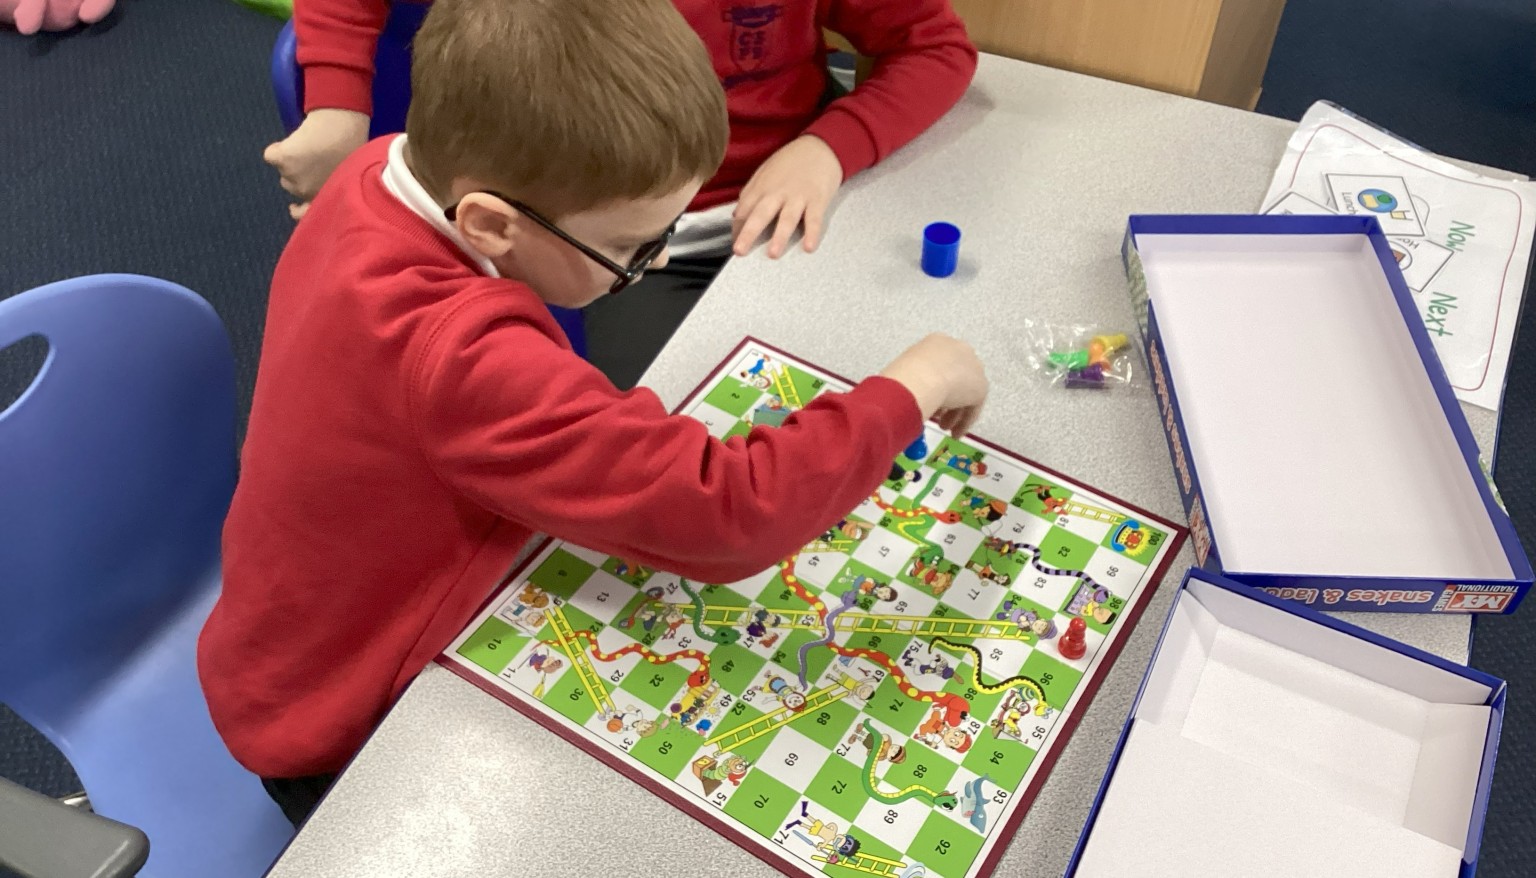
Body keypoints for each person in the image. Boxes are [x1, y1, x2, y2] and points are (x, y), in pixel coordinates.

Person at [200, 0, 989, 827]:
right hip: (338, 721)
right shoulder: (461, 358)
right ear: (490, 224)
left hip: (293, 630)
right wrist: (913, 384)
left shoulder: (374, 174)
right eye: (629, 247)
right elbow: (730, 510)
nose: (652, 262)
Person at [266, 0, 979, 387]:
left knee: (872, 360)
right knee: (680, 418)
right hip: (614, 245)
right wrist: (336, 103)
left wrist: (827, 148)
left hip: (790, 210)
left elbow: (936, 45)